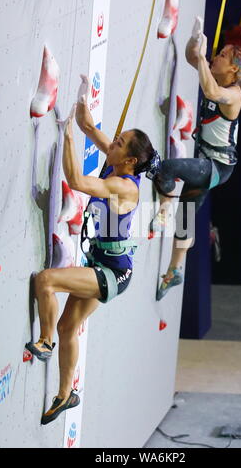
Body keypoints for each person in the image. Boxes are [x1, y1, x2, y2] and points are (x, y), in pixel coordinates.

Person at [25, 76, 159, 424]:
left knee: (47, 281)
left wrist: (66, 136)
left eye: (118, 143)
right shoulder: (118, 163)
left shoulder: (122, 186)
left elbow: (78, 181)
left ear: (129, 160)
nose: (111, 144)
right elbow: (89, 124)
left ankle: (44, 341)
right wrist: (81, 101)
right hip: (103, 264)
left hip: (112, 273)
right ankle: (65, 394)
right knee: (70, 327)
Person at [152, 16, 241, 300]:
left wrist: (203, 58)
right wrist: (196, 40)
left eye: (223, 56)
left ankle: (165, 206)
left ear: (232, 70)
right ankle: (175, 270)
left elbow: (211, 91)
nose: (216, 57)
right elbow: (195, 57)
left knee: (167, 167)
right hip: (207, 161)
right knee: (187, 216)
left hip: (217, 166)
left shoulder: (234, 94)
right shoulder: (215, 77)